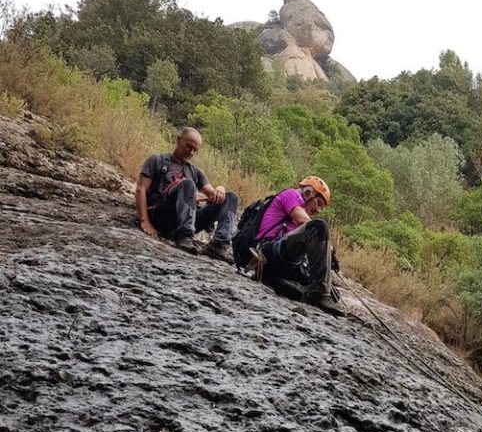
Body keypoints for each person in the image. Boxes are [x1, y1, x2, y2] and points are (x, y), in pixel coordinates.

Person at [135, 127, 238, 262]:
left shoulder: (194, 171)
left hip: (187, 218)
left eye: (195, 150)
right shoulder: (157, 160)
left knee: (231, 198)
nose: (191, 152)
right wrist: (145, 221)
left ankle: (218, 245)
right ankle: (184, 235)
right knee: (187, 184)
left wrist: (220, 188)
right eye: (188, 147)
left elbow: (214, 194)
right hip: (161, 216)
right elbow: (140, 190)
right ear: (178, 141)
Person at [248, 176, 343, 315]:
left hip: (285, 260)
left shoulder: (302, 214)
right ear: (307, 193)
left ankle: (284, 283)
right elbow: (303, 220)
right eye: (318, 203)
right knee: (319, 226)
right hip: (269, 253)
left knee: (333, 294)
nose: (318, 210)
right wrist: (327, 246)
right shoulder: (290, 194)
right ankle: (317, 293)